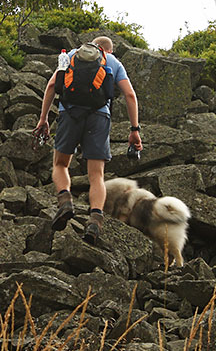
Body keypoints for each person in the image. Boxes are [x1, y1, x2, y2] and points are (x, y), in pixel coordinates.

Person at [33, 36, 142, 245]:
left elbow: (52, 85)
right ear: (108, 51)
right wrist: (134, 129)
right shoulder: (113, 62)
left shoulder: (71, 56)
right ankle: (95, 219)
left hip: (69, 114)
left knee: (60, 164)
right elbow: (130, 95)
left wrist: (43, 118)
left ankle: (65, 201)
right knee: (96, 175)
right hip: (99, 117)